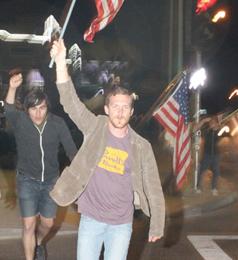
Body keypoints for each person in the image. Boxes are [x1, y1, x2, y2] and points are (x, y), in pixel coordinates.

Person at [49, 39, 165, 260]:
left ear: (131, 112)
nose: (120, 112)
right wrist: (60, 62)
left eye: (125, 107)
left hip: (121, 224)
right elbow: (70, 102)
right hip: (91, 219)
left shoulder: (141, 146)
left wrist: (157, 224)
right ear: (106, 109)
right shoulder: (95, 128)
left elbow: (153, 188)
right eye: (115, 107)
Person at [4, 71, 77, 260]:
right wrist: (12, 87)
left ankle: (39, 242)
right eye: (33, 109)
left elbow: (71, 150)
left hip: (51, 182)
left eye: (42, 108)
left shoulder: (57, 124)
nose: (38, 113)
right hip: (27, 180)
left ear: (47, 108)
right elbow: (10, 109)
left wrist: (81, 174)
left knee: (48, 224)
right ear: (27, 109)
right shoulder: (21, 121)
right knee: (28, 225)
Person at [195, 115, 222, 196]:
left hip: (216, 155)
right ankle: (198, 187)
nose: (212, 124)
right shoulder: (206, 131)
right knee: (201, 170)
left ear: (216, 124)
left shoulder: (219, 131)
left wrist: (218, 124)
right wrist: (203, 121)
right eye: (211, 123)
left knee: (216, 172)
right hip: (207, 155)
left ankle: (214, 188)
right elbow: (195, 129)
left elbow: (222, 129)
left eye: (214, 123)